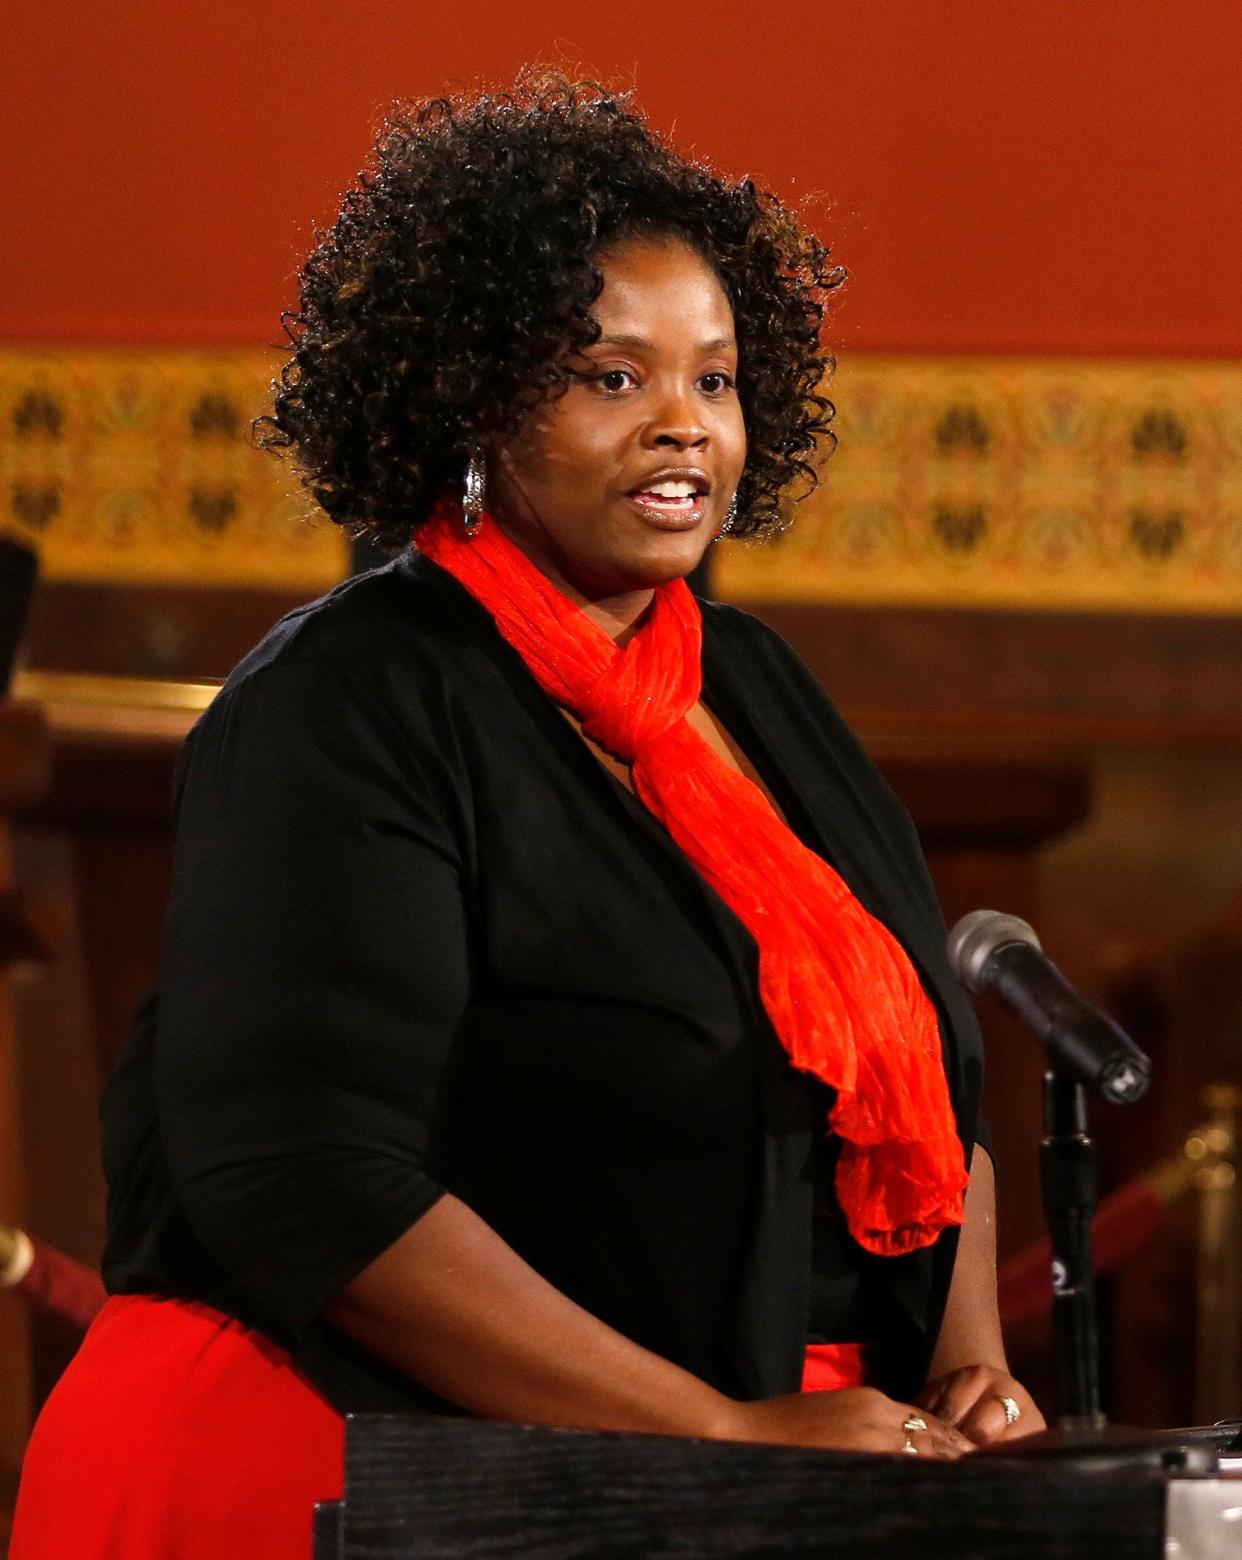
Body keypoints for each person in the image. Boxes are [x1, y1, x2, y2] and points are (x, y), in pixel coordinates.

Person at [11, 72, 1043, 1559]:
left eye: (715, 379)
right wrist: (713, 1430)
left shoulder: (752, 688)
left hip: (716, 1479)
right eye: (609, 378)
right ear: (474, 401)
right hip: (333, 1471)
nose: (680, 427)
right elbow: (309, 1181)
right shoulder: (351, 700)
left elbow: (925, 1095)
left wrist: (962, 1368)